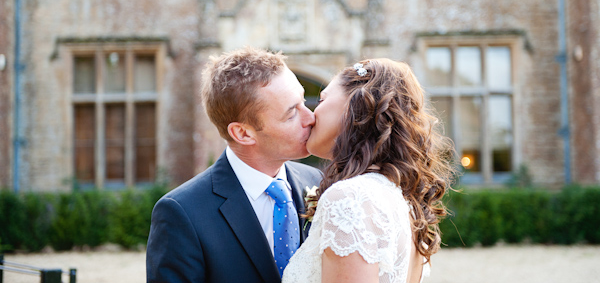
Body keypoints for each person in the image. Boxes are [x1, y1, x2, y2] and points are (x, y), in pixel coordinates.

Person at [146, 48, 322, 283]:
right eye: (291, 114)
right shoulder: (182, 214)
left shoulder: (318, 183)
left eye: (303, 101)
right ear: (243, 133)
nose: (309, 117)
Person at [282, 59, 455, 283]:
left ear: (356, 105)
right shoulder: (403, 201)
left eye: (322, 100)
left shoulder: (350, 197)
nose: (311, 116)